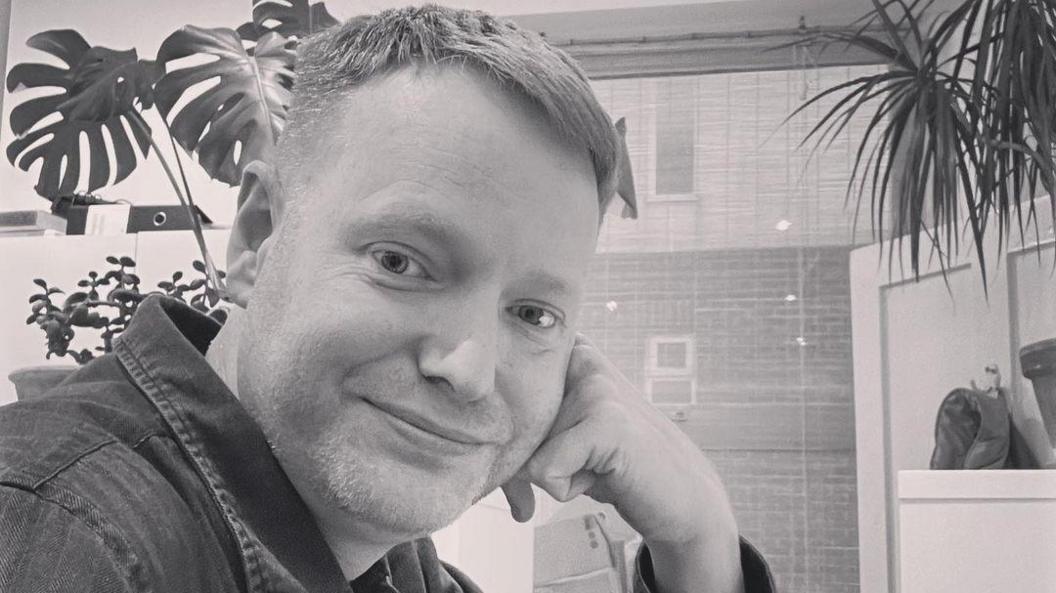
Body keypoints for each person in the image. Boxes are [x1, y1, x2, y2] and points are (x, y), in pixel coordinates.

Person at [0, 5, 775, 592]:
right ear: (258, 237)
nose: (468, 371)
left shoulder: (384, 557)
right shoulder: (71, 535)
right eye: (402, 262)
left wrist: (698, 539)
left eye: (533, 313)